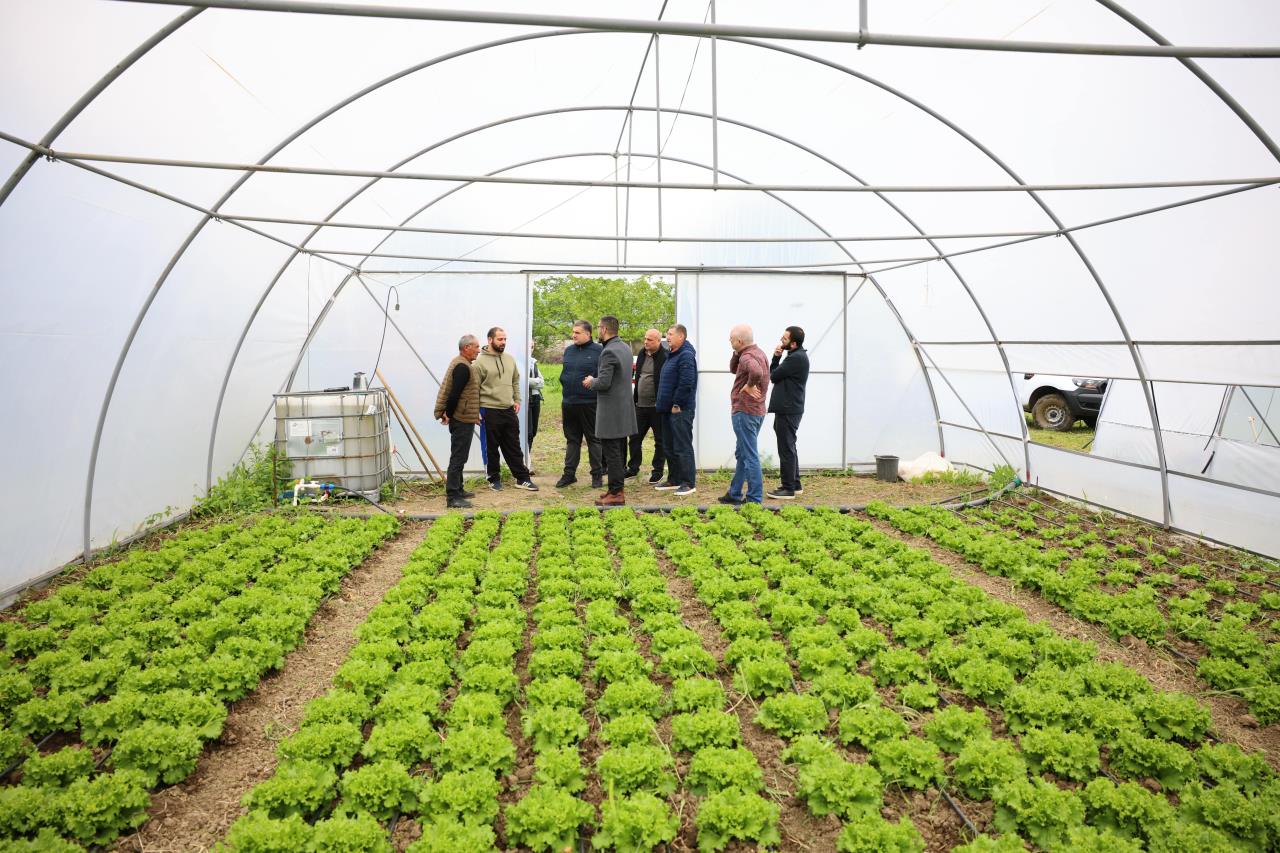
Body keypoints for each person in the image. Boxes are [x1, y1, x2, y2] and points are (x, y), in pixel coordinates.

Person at [583, 316, 638, 506]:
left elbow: (604, 383)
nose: (598, 330)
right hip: (623, 409)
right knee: (619, 451)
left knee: (612, 453)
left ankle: (616, 493)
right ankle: (616, 489)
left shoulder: (608, 352)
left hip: (611, 412)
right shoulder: (625, 348)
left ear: (604, 329)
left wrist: (591, 381)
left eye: (599, 327)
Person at [474, 326, 537, 491]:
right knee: (490, 447)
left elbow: (515, 380)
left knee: (513, 445)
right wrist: (475, 410)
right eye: (500, 339)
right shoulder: (480, 362)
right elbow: (474, 388)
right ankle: (493, 479)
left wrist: (517, 399)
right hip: (488, 409)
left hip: (508, 409)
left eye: (505, 339)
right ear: (490, 340)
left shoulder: (509, 359)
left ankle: (522, 478)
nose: (503, 342)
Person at [720, 324, 769, 505]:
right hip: (757, 411)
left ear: (740, 341)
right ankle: (734, 493)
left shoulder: (748, 356)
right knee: (742, 453)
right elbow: (735, 369)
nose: (729, 341)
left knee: (749, 456)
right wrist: (736, 352)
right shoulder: (758, 353)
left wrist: (748, 386)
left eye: (732, 339)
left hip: (745, 411)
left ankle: (754, 498)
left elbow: (756, 372)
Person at [434, 334, 481, 509]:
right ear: (466, 347)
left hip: (464, 416)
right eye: (476, 347)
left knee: (461, 455)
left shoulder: (462, 363)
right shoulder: (462, 366)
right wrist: (449, 413)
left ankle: (459, 489)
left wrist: (473, 414)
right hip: (460, 418)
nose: (478, 350)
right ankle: (453, 497)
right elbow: (454, 395)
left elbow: (465, 395)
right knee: (458, 457)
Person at [557, 319, 604, 489]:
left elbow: (603, 377)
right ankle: (569, 475)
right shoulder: (569, 350)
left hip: (589, 403)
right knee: (572, 440)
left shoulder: (599, 351)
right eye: (573, 332)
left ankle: (597, 476)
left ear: (588, 334)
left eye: (577, 332)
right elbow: (565, 373)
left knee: (593, 440)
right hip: (569, 403)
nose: (573, 335)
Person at [766, 326, 809, 500]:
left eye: (784, 339)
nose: (781, 340)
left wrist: (776, 358)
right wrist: (779, 357)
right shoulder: (795, 356)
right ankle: (795, 484)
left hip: (788, 409)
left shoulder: (795, 358)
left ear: (793, 344)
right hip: (789, 408)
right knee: (789, 446)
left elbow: (773, 376)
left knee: (786, 448)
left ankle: (788, 488)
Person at [655, 323, 698, 497]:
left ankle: (688, 483)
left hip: (680, 410)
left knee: (682, 446)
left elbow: (686, 382)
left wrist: (677, 404)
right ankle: (674, 479)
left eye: (671, 334)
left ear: (681, 336)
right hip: (667, 409)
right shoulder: (672, 354)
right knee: (669, 446)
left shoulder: (686, 355)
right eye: (667, 334)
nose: (668, 337)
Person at [627, 328, 667, 485]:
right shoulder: (642, 354)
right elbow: (638, 376)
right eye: (645, 338)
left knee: (660, 440)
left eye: (649, 339)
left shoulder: (665, 356)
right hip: (640, 405)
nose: (645, 342)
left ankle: (657, 471)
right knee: (634, 438)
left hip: (657, 407)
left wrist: (662, 401)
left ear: (658, 341)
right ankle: (633, 468)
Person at [527, 339, 544, 453]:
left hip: (536, 398)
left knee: (533, 431)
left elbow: (542, 383)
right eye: (528, 346)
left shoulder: (533, 362)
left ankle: (528, 457)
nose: (530, 349)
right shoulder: (518, 362)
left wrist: (531, 381)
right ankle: (525, 459)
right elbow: (521, 380)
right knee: (527, 432)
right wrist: (535, 381)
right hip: (525, 400)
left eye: (532, 347)